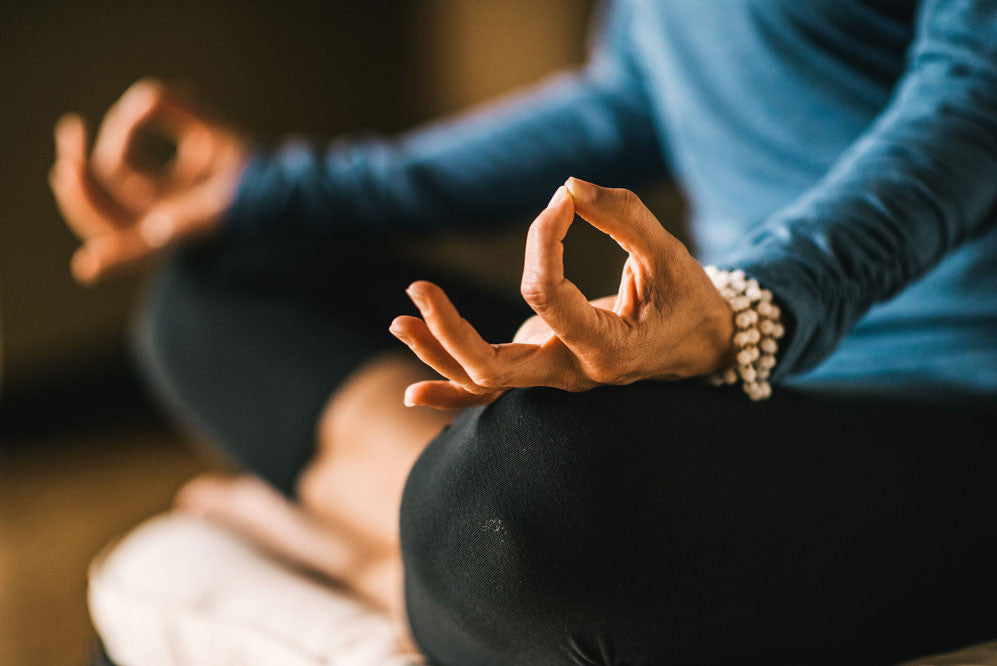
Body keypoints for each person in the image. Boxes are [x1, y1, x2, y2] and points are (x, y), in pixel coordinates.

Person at [51, 1, 997, 664]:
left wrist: (748, 308)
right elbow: (629, 95)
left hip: (953, 408)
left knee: (532, 491)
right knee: (230, 280)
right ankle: (424, 563)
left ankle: (379, 555)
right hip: (757, 386)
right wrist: (273, 192)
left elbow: (970, 105)